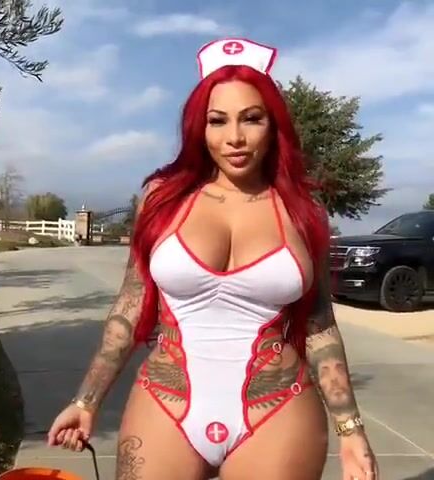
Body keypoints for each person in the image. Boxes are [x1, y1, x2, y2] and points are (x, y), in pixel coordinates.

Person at [47, 38, 379, 480]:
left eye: (252, 119)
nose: (234, 138)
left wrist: (351, 430)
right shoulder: (162, 199)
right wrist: (86, 401)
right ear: (198, 129)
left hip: (278, 410)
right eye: (217, 121)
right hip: (165, 402)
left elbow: (320, 325)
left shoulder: (303, 211)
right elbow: (130, 304)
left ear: (273, 126)